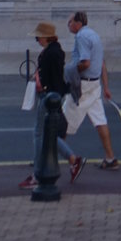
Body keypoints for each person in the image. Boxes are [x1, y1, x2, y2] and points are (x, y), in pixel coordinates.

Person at [19, 21, 85, 190]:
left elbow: (55, 77)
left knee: (39, 134)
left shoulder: (52, 53)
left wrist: (52, 93)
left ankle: (38, 173)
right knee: (47, 134)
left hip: (49, 97)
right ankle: (72, 160)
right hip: (51, 95)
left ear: (45, 37)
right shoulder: (53, 51)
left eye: (38, 37)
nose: (36, 40)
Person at [64, 11, 119, 169]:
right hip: (94, 85)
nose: (68, 24)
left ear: (78, 23)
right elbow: (101, 63)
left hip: (83, 86)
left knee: (63, 121)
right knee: (100, 120)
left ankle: (51, 156)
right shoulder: (95, 35)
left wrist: (71, 69)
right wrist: (106, 87)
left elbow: (85, 63)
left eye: (70, 21)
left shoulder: (81, 37)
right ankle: (110, 158)